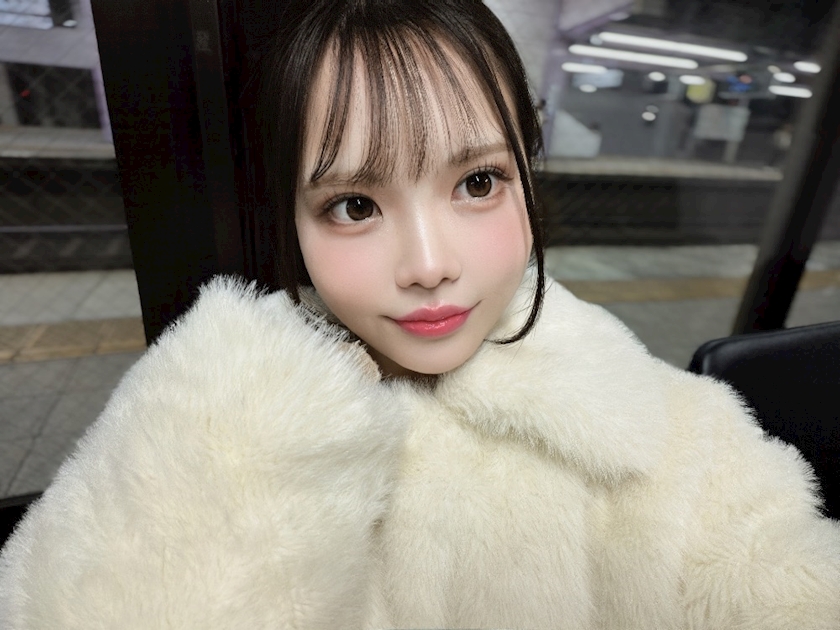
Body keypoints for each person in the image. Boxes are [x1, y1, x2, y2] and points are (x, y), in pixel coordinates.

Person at [1, 1, 839, 627]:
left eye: (478, 182)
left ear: (527, 177)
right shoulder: (194, 431)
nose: (430, 264)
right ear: (289, 220)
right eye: (355, 205)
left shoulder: (670, 432)